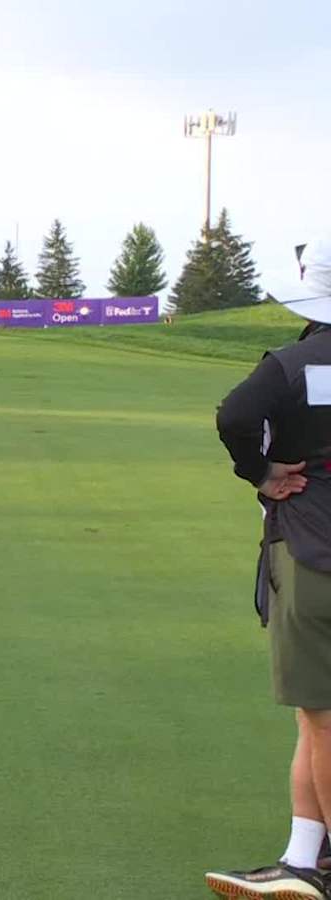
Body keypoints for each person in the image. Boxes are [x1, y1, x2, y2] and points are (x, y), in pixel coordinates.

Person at [207, 238, 331, 899]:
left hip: (313, 551)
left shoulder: (294, 363)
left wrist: (262, 473)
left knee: (321, 715)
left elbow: (235, 417)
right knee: (316, 717)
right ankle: (304, 859)